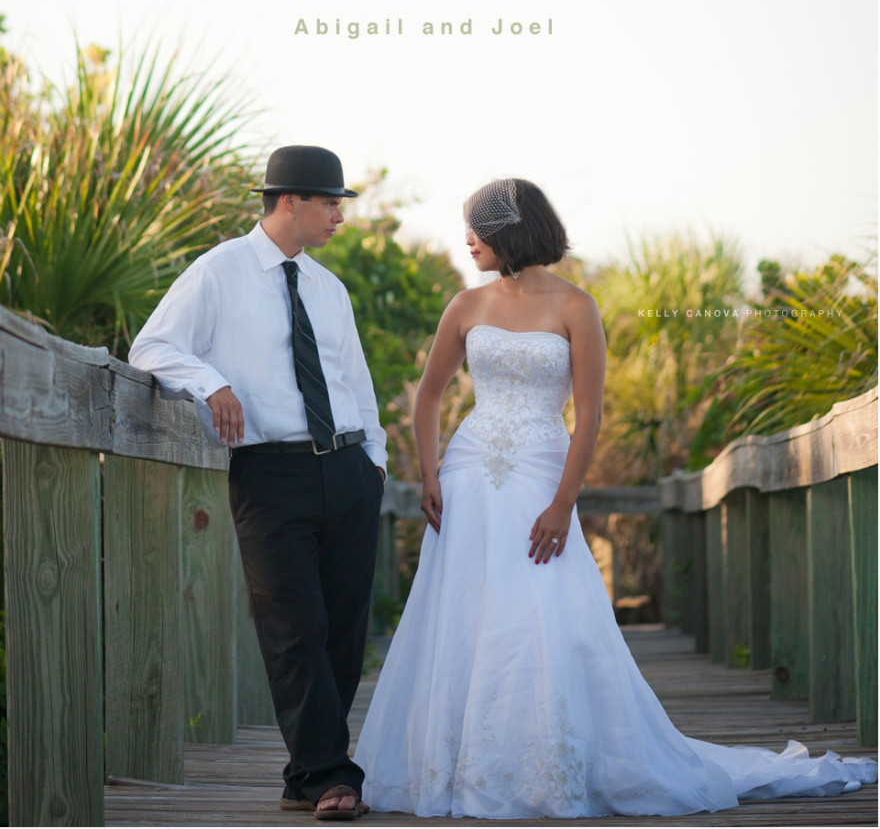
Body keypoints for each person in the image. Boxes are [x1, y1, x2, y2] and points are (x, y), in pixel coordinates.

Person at [353, 176, 877, 819]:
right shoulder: (465, 306)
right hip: (468, 478)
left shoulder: (576, 306)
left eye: (478, 229)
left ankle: (544, 765)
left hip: (541, 477)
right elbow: (430, 394)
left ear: (511, 232)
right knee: (462, 615)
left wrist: (563, 503)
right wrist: (431, 474)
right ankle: (457, 765)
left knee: (536, 618)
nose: (468, 240)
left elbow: (591, 415)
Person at [129, 145, 386, 821]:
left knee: (342, 635)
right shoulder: (217, 272)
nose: (339, 214)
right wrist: (211, 382)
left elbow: (356, 384)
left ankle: (307, 773)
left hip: (350, 470)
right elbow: (151, 346)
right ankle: (334, 776)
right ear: (290, 201)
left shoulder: (329, 289)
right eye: (330, 202)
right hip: (271, 472)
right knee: (291, 628)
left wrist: (376, 463)